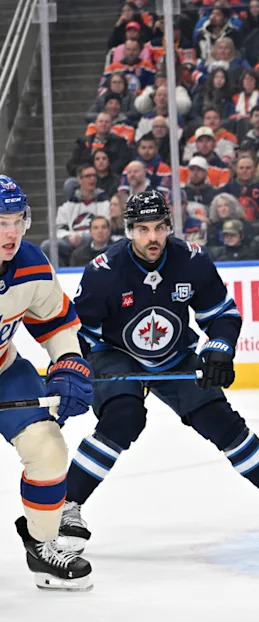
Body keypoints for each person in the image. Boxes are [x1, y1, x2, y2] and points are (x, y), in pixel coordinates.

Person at [58, 190, 259, 555]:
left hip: (175, 354)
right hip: (117, 354)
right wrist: (75, 370)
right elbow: (80, 334)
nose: (153, 237)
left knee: (219, 420)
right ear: (129, 231)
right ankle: (67, 506)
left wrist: (219, 347)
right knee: (122, 419)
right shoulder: (105, 273)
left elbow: (222, 315)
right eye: (143, 229)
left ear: (170, 227)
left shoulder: (191, 261)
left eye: (159, 228)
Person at [0, 176, 94, 591]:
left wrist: (68, 360)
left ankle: (41, 545)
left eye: (17, 219)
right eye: (0, 221)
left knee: (48, 449)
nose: (11, 232)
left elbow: (55, 322)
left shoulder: (32, 264)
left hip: (5, 370)